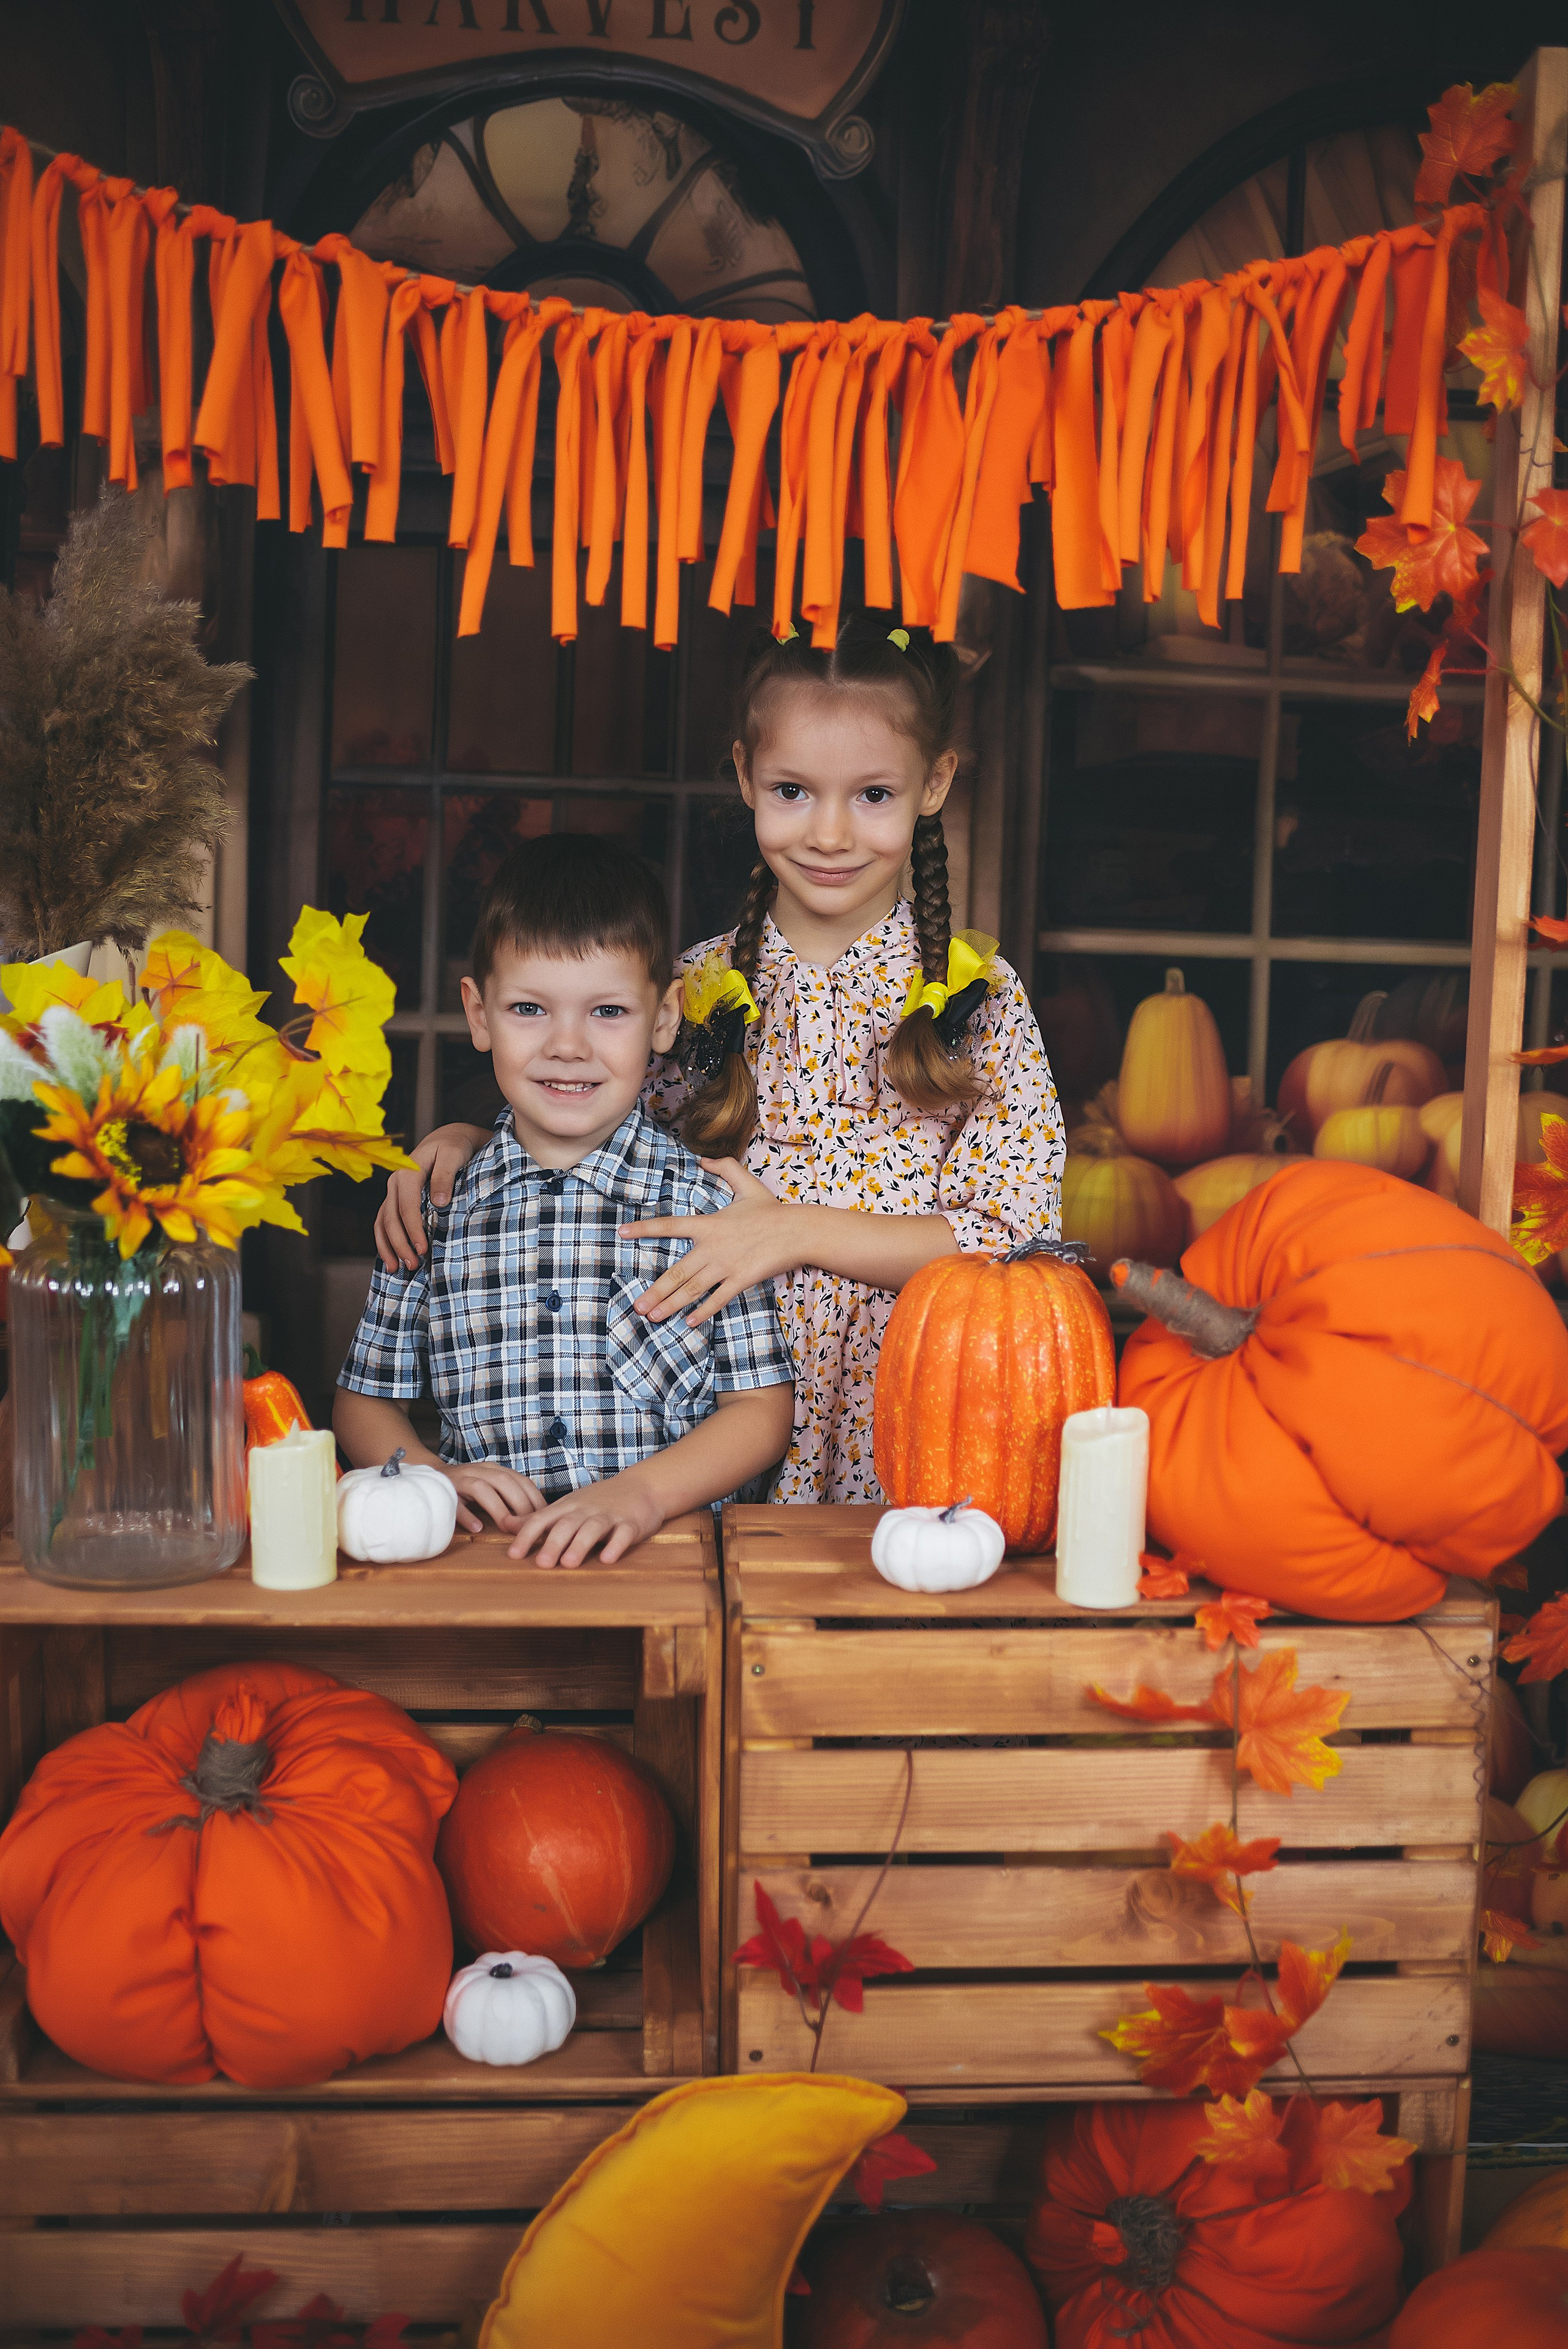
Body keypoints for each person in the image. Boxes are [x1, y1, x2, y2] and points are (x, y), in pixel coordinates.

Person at [374, 615, 1065, 1505]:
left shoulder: (979, 1000)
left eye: (872, 795)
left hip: (913, 1419)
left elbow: (1021, 1239)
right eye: (791, 789)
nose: (827, 832)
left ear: (934, 785)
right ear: (743, 773)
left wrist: (794, 1229)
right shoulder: (692, 995)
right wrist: (476, 1137)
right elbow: (591, 1127)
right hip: (706, 1436)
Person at [334, 833, 794, 1566]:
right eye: (529, 1009)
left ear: (665, 1018)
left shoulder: (711, 1209)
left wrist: (639, 1495)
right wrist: (430, 1479)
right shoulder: (436, 1207)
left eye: (608, 1012)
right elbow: (365, 1399)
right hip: (492, 1567)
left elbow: (760, 1412)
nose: (568, 1045)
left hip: (667, 1565)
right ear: (479, 1014)